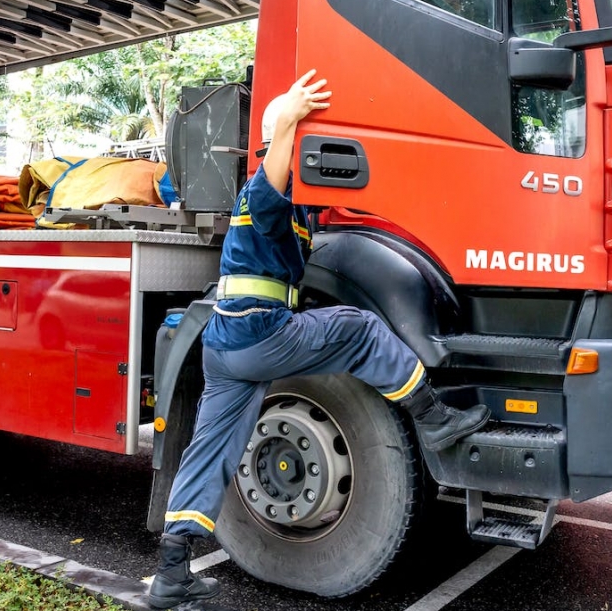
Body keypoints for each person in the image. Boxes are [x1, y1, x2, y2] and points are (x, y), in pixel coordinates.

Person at [147, 70, 491, 609]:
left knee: (209, 452)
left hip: (227, 344)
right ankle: (435, 419)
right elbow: (275, 179)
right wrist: (290, 113)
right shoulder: (264, 190)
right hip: (261, 331)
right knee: (359, 329)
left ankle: (171, 575)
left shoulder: (291, 204)